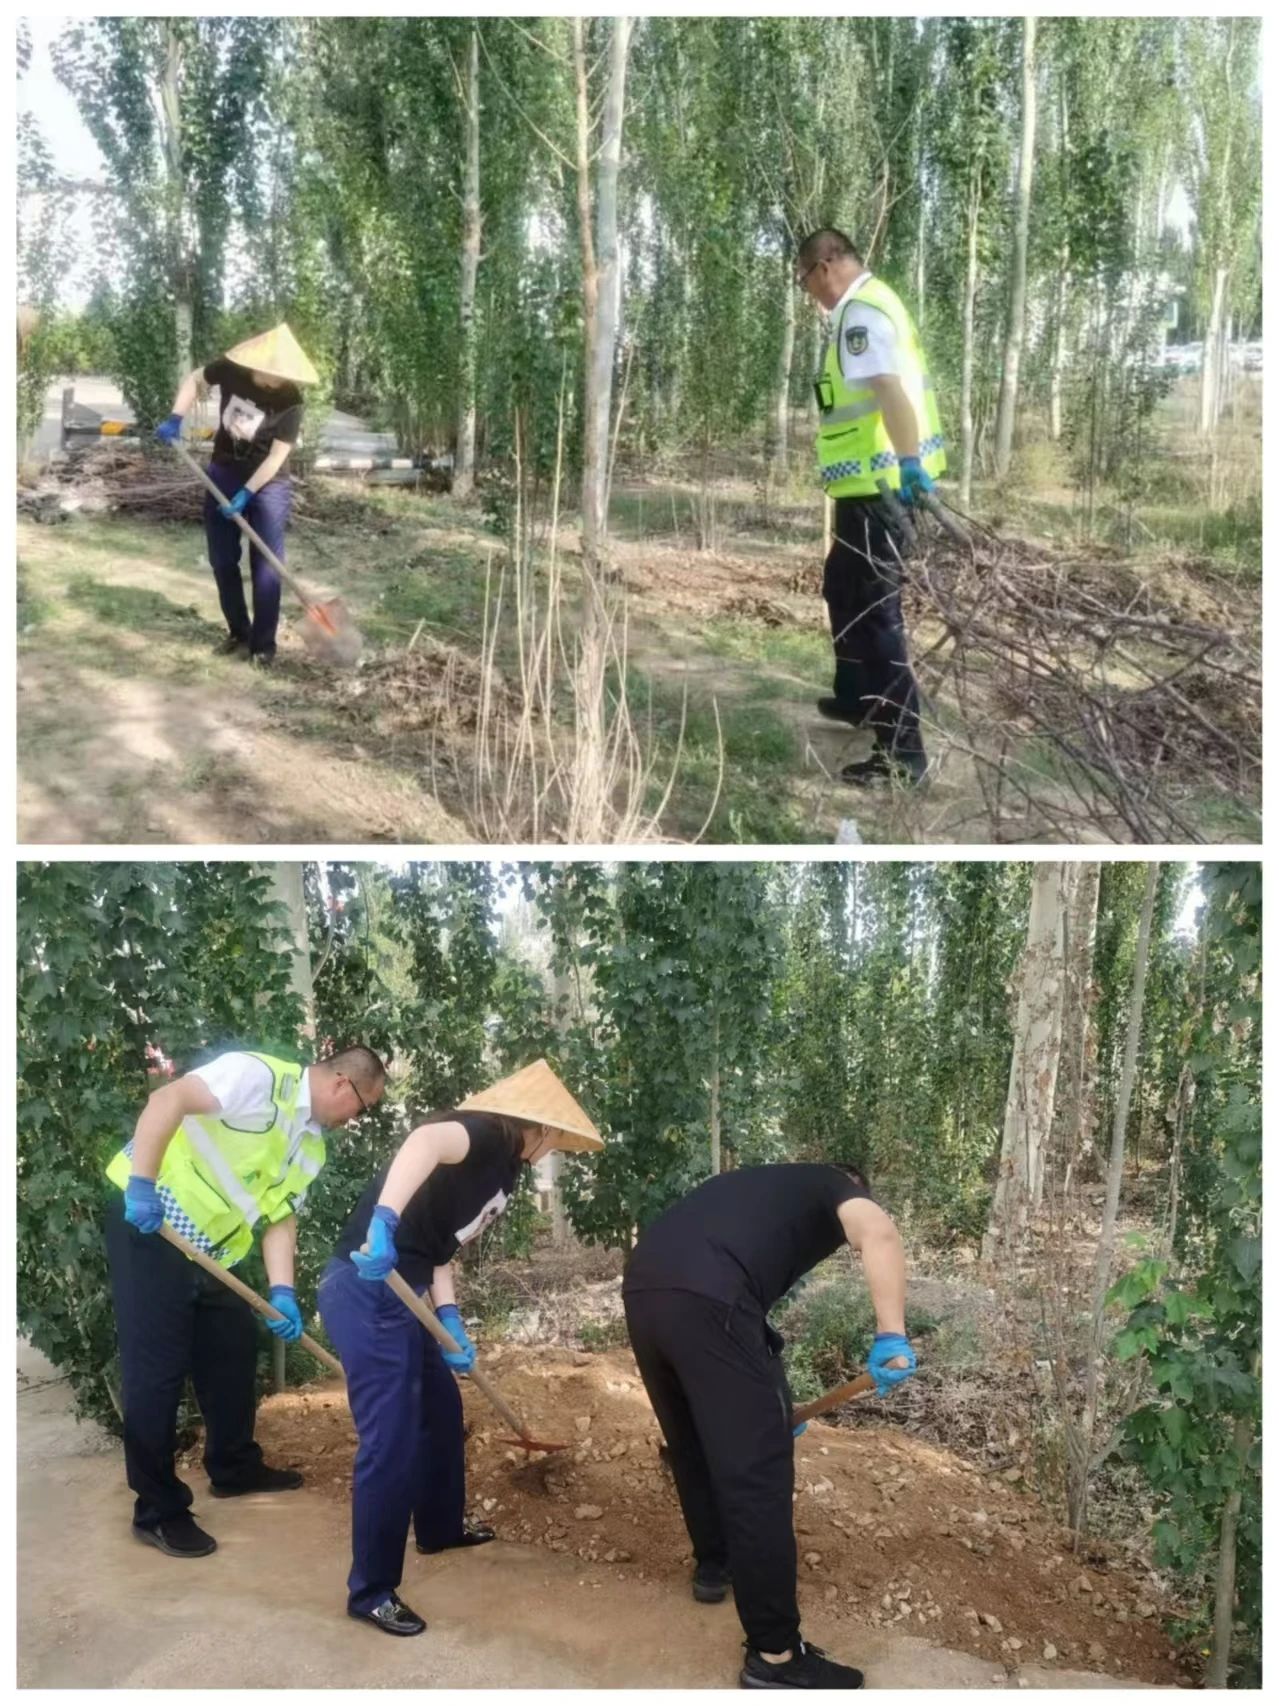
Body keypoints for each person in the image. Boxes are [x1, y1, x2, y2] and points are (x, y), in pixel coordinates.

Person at [319, 1060, 603, 1638]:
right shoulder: (476, 1132)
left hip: (412, 1296)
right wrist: (383, 1221)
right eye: (556, 1140)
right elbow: (423, 1140)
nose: (555, 1150)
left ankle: (439, 1526)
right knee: (391, 1439)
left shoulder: (506, 1172)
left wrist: (449, 1320)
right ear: (538, 1126)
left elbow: (440, 1251)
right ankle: (371, 1590)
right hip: (365, 1288)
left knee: (443, 1413)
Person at [622, 1162, 917, 1690]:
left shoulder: (761, 1190)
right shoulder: (836, 1187)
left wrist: (773, 1407)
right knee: (756, 1477)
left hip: (645, 1289)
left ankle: (715, 1565)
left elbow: (748, 1322)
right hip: (708, 1294)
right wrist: (891, 1333)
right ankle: (776, 1657)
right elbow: (880, 1233)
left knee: (692, 1443)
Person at [103, 1044, 387, 1559]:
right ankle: (157, 1509)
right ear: (343, 1085)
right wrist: (142, 1186)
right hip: (150, 1221)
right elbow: (167, 1100)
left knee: (232, 1347)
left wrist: (282, 1291)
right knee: (157, 1368)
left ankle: (233, 1468)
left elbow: (279, 1216)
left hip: (208, 1250)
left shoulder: (311, 1147)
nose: (355, 1121)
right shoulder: (256, 1077)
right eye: (362, 1110)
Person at [796, 228, 947, 788]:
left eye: (807, 281)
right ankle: (859, 699)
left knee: (878, 617)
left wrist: (909, 464)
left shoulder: (861, 314)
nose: (811, 294)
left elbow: (888, 388)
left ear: (826, 266)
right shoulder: (868, 306)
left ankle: (902, 756)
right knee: (841, 586)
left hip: (883, 488)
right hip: (862, 489)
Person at [154, 323, 318, 669]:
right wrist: (175, 417)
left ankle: (263, 646)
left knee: (266, 566)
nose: (277, 381)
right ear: (257, 363)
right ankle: (238, 633)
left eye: (283, 375)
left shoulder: (291, 401)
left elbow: (276, 457)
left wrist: (247, 493)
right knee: (222, 558)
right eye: (272, 373)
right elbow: (196, 379)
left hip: (268, 485)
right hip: (223, 472)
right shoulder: (231, 370)